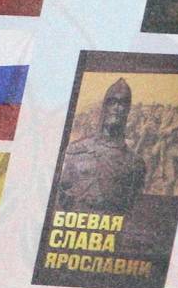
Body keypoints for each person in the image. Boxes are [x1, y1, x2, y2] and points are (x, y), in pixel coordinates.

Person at [54, 78, 145, 213]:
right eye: (112, 102)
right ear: (104, 107)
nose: (116, 108)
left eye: (122, 103)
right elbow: (59, 196)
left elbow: (132, 208)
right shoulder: (75, 151)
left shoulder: (135, 162)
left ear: (127, 110)